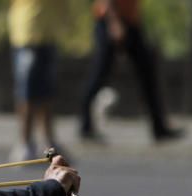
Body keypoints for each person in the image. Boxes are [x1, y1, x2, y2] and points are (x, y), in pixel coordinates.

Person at [79, 0, 184, 143]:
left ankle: (159, 127)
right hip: (109, 20)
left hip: (130, 21)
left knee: (147, 73)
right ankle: (85, 126)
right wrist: (114, 22)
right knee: (99, 75)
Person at [7, 0, 71, 161]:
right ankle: (25, 143)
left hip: (48, 34)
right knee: (27, 92)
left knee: (46, 93)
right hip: (28, 33)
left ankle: (48, 144)